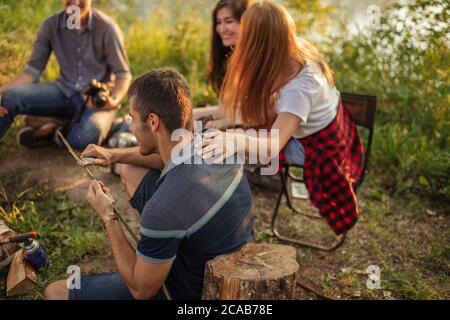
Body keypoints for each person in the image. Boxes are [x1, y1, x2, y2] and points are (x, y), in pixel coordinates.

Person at [44, 68, 254, 300]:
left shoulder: (163, 207)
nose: (132, 129)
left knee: (55, 292)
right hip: (226, 262)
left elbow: (141, 290)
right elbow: (164, 158)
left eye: (133, 119)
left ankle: (155, 253)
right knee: (130, 168)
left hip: (192, 293)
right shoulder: (215, 142)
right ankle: (159, 247)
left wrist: (108, 216)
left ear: (152, 121)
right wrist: (114, 155)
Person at [199, 1, 364, 235]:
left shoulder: (299, 89)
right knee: (231, 135)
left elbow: (273, 145)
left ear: (262, 43)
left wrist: (236, 139)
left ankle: (224, 220)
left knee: (232, 145)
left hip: (319, 148)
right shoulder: (294, 48)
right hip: (331, 127)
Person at [0, 0, 131, 149]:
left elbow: (123, 74)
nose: (75, 2)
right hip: (62, 91)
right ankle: (73, 125)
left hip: (94, 100)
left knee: (86, 137)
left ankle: (56, 130)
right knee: (6, 99)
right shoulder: (50, 25)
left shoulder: (107, 28)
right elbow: (32, 71)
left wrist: (113, 100)